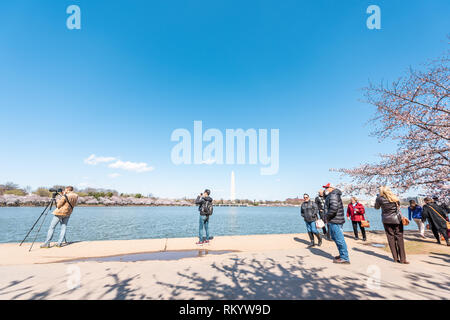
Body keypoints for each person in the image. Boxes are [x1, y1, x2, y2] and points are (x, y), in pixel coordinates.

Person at [374, 186, 408, 264]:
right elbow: (398, 207)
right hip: (397, 220)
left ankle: (395, 258)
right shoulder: (395, 198)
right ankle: (403, 259)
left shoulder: (379, 198)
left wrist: (377, 199)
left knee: (390, 238)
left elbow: (376, 207)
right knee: (399, 238)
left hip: (386, 220)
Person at [323, 183, 350, 264]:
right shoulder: (332, 195)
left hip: (335, 220)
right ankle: (342, 254)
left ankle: (344, 257)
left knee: (339, 239)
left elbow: (333, 209)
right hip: (334, 220)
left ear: (332, 188)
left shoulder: (333, 195)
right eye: (325, 188)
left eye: (327, 188)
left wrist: (326, 217)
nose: (326, 189)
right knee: (335, 237)